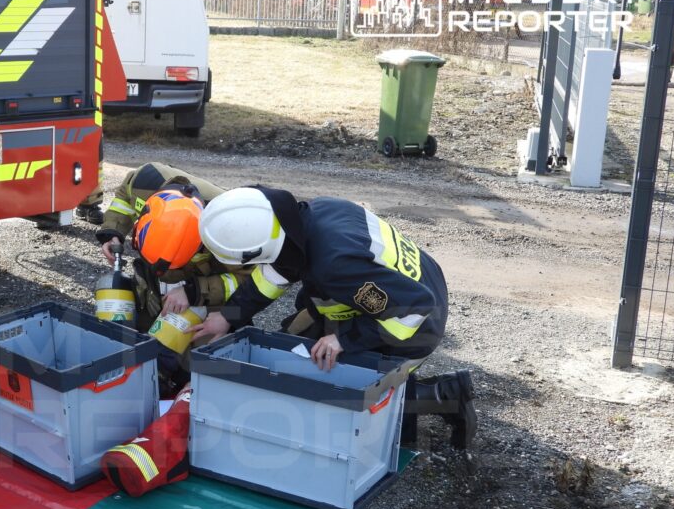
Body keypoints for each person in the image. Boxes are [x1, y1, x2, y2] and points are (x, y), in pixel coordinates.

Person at [191, 186, 476, 449]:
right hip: (411, 285)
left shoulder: (334, 264)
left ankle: (445, 395)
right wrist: (228, 316)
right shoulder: (307, 218)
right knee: (302, 354)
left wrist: (344, 339)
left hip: (415, 323)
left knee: (349, 395)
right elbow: (277, 272)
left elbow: (414, 308)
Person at [96, 163, 251, 389]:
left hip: (205, 291)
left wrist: (195, 291)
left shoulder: (231, 227)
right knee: (135, 328)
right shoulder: (145, 181)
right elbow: (123, 198)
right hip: (162, 284)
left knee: (195, 348)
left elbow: (250, 280)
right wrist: (114, 231)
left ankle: (180, 378)